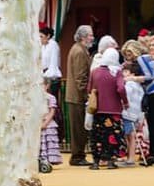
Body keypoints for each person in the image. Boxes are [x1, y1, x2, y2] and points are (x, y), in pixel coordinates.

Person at [87, 48, 128, 170]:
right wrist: (125, 101)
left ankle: (96, 161)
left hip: (98, 109)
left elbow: (89, 89)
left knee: (97, 135)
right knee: (112, 135)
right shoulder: (116, 72)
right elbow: (121, 88)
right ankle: (110, 160)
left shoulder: (95, 71)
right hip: (114, 110)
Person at [65, 25, 94, 166]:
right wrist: (86, 95)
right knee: (79, 128)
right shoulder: (79, 52)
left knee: (80, 127)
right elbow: (80, 77)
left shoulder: (79, 49)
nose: (92, 38)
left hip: (75, 95)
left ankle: (78, 154)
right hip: (77, 97)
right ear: (83, 37)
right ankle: (77, 156)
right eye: (90, 35)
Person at [120, 61, 145, 166]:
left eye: (126, 71)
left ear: (132, 74)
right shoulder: (139, 86)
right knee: (131, 135)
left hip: (128, 113)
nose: (123, 73)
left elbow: (126, 97)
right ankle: (130, 157)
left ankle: (130, 158)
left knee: (129, 136)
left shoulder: (129, 84)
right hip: (135, 113)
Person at [39, 78, 63, 167]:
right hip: (38, 122)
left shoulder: (50, 98)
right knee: (41, 143)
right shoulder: (35, 98)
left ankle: (50, 159)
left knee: (49, 141)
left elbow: (52, 111)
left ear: (47, 86)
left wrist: (46, 123)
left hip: (48, 122)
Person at [40, 25, 62, 96]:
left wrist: (48, 82)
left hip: (52, 77)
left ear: (48, 36)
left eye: (41, 36)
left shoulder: (53, 45)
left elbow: (53, 63)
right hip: (44, 76)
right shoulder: (43, 46)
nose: (40, 39)